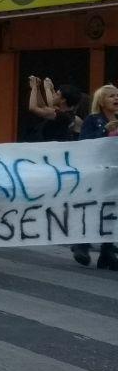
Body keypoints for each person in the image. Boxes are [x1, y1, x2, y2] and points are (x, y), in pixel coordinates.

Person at [74, 84, 118, 269]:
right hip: (97, 172)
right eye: (111, 96)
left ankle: (107, 252)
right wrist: (105, 130)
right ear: (101, 101)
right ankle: (82, 244)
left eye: (117, 95)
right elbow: (84, 143)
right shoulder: (93, 120)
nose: (116, 98)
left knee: (112, 210)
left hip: (114, 172)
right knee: (94, 207)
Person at [27, 76, 82, 141]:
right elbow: (42, 106)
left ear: (63, 100)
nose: (54, 95)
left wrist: (34, 87)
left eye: (57, 94)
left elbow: (33, 108)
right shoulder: (63, 112)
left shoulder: (63, 115)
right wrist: (38, 88)